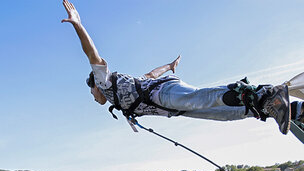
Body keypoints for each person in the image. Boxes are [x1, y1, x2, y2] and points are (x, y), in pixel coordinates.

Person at [61, 0, 304, 134]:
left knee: (199, 99)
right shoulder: (122, 91)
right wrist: (170, 65)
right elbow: (150, 74)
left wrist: (78, 25)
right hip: (170, 102)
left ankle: (264, 94)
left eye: (91, 92)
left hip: (164, 94)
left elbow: (91, 53)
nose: (93, 97)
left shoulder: (104, 82)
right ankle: (288, 109)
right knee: (224, 115)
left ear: (96, 86)